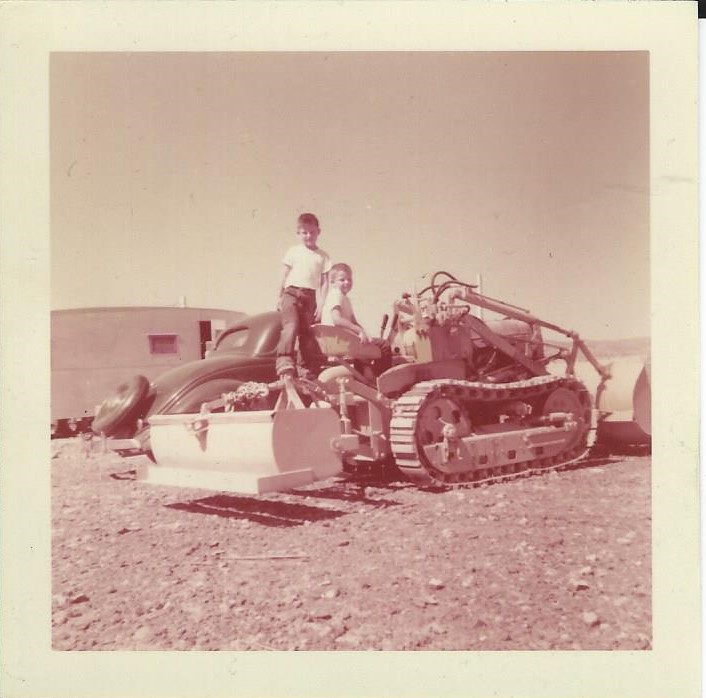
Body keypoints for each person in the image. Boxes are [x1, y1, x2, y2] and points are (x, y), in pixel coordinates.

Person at [275, 212, 331, 377]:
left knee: (307, 334)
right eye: (305, 232)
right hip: (291, 293)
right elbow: (284, 274)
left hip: (310, 296)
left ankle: (303, 368)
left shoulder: (323, 256)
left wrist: (321, 305)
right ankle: (284, 360)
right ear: (298, 233)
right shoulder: (293, 251)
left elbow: (325, 282)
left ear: (318, 232)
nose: (309, 236)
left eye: (312, 232)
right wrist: (279, 296)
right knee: (291, 326)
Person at [320, 263, 370, 342]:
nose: (347, 282)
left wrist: (364, 333)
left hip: (342, 338)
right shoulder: (335, 294)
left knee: (371, 342)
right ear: (332, 283)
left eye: (349, 279)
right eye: (342, 280)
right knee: (384, 346)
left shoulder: (345, 299)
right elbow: (337, 320)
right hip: (336, 339)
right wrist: (359, 331)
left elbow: (354, 322)